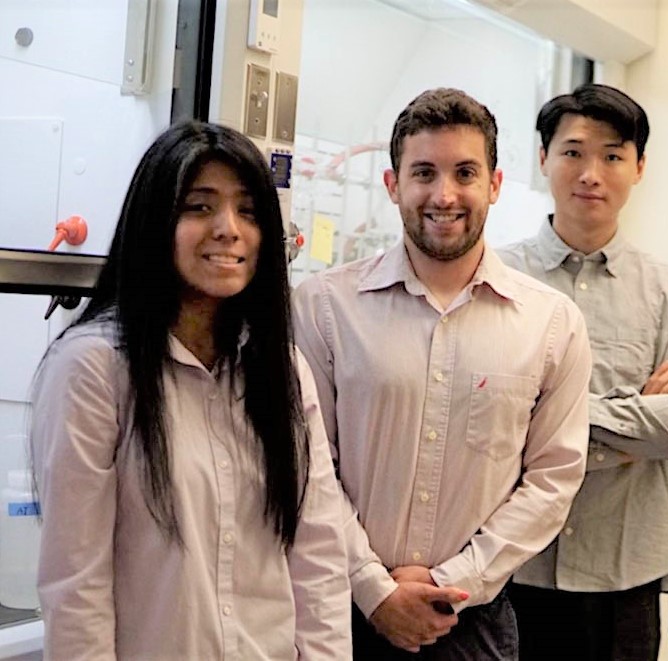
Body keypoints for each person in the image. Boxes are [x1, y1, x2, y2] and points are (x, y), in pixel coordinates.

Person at [31, 121, 352, 659]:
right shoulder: (94, 370)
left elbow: (317, 556)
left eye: (248, 211)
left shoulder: (282, 369)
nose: (228, 229)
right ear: (156, 223)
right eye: (199, 207)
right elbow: (76, 584)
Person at [292, 87, 593, 659]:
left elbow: (552, 480)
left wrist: (453, 582)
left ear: (495, 186)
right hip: (336, 613)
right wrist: (373, 589)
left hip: (472, 623)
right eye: (424, 172)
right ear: (393, 185)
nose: (444, 194)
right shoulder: (324, 308)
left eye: (465, 173)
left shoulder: (552, 324)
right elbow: (308, 467)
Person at [497, 83, 668, 661]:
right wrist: (635, 421)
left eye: (613, 156)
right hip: (508, 570)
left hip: (626, 578)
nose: (591, 172)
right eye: (572, 152)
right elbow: (487, 419)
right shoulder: (496, 277)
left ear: (639, 167)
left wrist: (555, 411)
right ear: (542, 158)